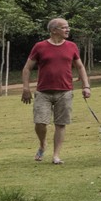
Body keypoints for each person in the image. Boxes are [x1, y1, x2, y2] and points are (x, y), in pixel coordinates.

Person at [20, 18, 92, 165]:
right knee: (40, 122)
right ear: (53, 30)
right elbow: (27, 68)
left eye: (68, 27)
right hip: (43, 92)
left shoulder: (71, 46)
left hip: (65, 92)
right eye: (64, 27)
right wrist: (26, 88)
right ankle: (42, 144)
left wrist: (86, 86)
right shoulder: (39, 46)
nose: (68, 29)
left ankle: (56, 155)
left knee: (61, 124)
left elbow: (80, 67)